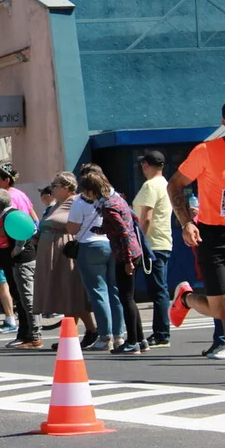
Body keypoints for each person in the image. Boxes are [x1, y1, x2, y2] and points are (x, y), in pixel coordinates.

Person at [169, 96, 225, 382]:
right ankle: (186, 299)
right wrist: (187, 223)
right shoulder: (206, 151)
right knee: (222, 309)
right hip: (212, 235)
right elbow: (175, 184)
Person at [80, 170, 146, 354]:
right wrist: (102, 230)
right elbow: (132, 219)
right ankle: (140, 340)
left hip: (126, 255)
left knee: (126, 299)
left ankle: (132, 342)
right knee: (129, 298)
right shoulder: (118, 199)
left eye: (86, 191)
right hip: (134, 251)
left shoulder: (108, 206)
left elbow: (123, 232)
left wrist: (127, 260)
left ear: (92, 191)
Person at [34, 172, 98, 349]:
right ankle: (77, 333)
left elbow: (75, 224)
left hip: (65, 251)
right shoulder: (58, 204)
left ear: (67, 188)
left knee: (70, 291)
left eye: (55, 186)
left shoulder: (75, 202)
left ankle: (83, 332)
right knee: (67, 293)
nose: (52, 189)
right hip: (53, 251)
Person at [67, 164, 122, 352]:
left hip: (90, 245)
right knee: (115, 291)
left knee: (98, 292)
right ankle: (119, 335)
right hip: (113, 244)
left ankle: (105, 336)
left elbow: (72, 228)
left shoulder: (81, 201)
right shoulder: (114, 196)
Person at [0, 164, 41, 346]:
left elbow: (13, 226)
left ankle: (29, 333)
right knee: (21, 292)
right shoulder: (23, 195)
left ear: (6, 180)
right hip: (20, 248)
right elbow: (34, 219)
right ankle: (27, 332)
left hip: (12, 250)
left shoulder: (8, 197)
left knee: (21, 293)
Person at [134, 150, 172, 347]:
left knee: (158, 290)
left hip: (151, 244)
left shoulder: (150, 186)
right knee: (160, 289)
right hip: (162, 241)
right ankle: (161, 332)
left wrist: (138, 243)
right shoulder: (165, 184)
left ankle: (161, 333)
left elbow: (146, 218)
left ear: (146, 165)